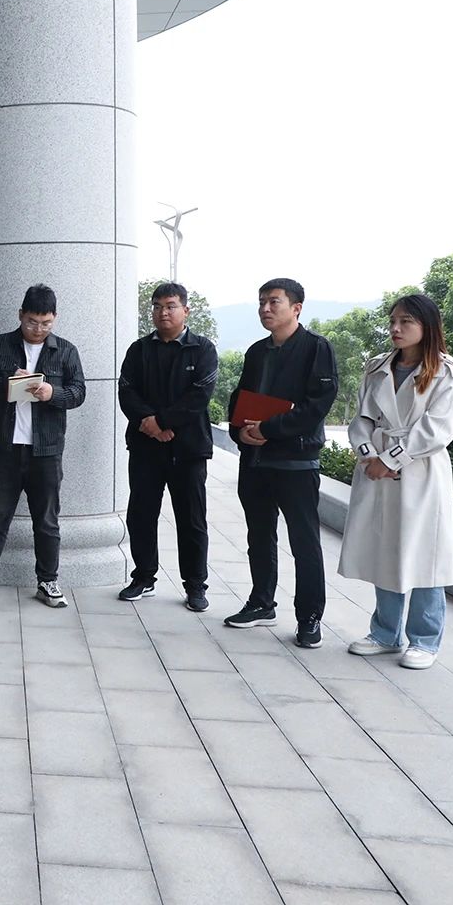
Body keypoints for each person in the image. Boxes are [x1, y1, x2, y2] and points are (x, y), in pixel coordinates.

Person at [339, 294, 453, 670]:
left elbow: (438, 429)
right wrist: (368, 456)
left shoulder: (445, 373)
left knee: (425, 553)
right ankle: (385, 633)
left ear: (427, 326)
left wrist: (391, 459)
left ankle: (425, 639)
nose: (396, 328)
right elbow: (361, 419)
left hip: (421, 472)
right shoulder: (377, 367)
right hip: (376, 467)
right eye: (393, 320)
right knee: (385, 548)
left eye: (406, 321)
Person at [0, 285, 86, 609]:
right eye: (31, 322)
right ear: (20, 315)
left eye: (46, 323)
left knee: (47, 521)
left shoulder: (66, 351)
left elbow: (78, 392)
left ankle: (48, 581)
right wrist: (10, 383)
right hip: (5, 448)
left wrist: (52, 393)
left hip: (46, 451)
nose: (38, 329)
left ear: (54, 319)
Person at [223, 277, 338, 648]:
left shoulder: (316, 348)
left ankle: (309, 617)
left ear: (296, 308)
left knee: (304, 542)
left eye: (274, 301)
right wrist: (239, 431)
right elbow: (240, 397)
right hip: (256, 460)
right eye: (261, 302)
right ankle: (261, 603)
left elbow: (317, 405)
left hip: (296, 462)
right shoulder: (257, 351)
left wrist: (269, 429)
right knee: (259, 535)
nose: (265, 309)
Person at [117, 282, 219, 611]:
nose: (163, 312)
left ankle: (195, 585)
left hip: (188, 450)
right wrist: (149, 424)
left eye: (171, 306)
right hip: (145, 447)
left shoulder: (202, 349)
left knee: (191, 519)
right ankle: (144, 577)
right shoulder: (139, 350)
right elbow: (126, 391)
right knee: (141, 515)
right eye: (158, 306)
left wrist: (160, 422)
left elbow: (199, 396)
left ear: (185, 310)